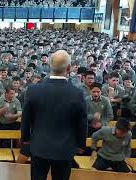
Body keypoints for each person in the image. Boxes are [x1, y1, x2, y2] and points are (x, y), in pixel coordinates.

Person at [21, 50, 87, 180]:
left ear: (50, 65)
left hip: (39, 146)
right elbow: (81, 122)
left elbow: (26, 118)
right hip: (65, 148)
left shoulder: (34, 90)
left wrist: (26, 139)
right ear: (68, 68)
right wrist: (81, 145)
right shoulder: (77, 93)